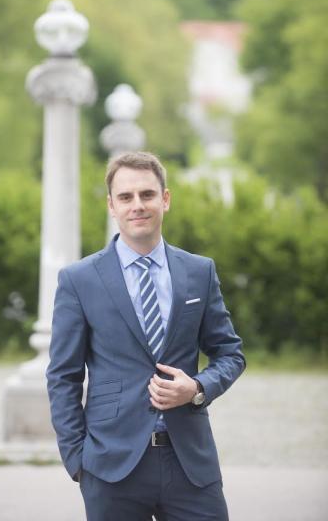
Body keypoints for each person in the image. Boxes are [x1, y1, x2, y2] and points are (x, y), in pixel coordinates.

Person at [47, 151, 245, 521]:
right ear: (112, 206)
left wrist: (197, 388)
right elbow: (63, 375)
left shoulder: (199, 271)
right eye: (125, 197)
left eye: (147, 194)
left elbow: (230, 353)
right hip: (111, 468)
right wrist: (78, 460)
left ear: (165, 199)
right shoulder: (79, 280)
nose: (137, 205)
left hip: (190, 463)